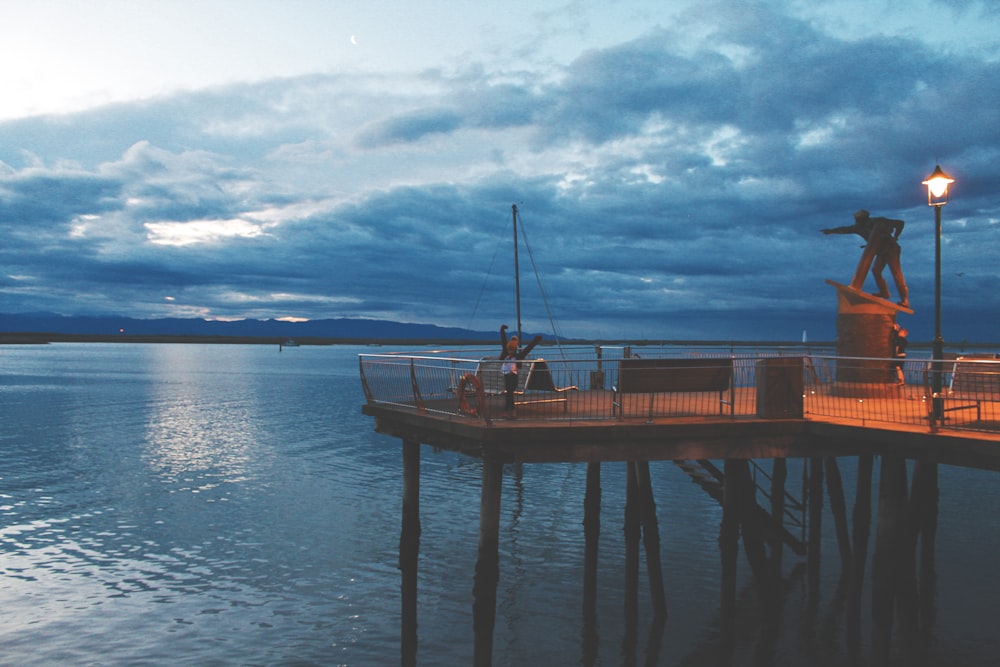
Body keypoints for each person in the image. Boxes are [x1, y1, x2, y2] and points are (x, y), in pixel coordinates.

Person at [822, 210, 909, 308]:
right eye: (856, 220)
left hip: (891, 249)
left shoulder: (877, 221)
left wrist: (895, 237)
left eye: (858, 220)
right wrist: (831, 231)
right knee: (876, 270)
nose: (857, 222)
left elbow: (900, 223)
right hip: (880, 251)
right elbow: (845, 229)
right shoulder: (859, 228)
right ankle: (884, 292)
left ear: (864, 218)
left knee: (897, 274)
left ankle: (905, 300)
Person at [499, 324, 543, 418]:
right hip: (506, 376)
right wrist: (502, 331)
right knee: (508, 394)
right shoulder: (506, 354)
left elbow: (527, 349)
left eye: (511, 350)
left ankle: (511, 411)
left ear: (514, 349)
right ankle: (508, 412)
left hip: (513, 376)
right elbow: (503, 342)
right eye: (508, 350)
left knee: (509, 393)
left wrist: (536, 340)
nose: (509, 351)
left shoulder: (517, 356)